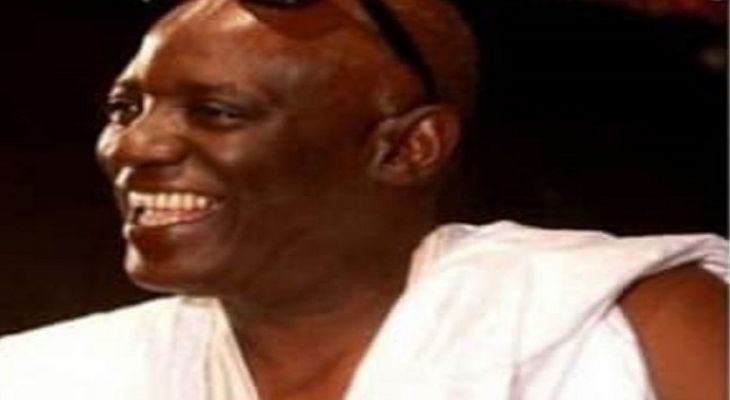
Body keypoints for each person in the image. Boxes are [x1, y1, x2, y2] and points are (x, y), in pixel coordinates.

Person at [0, 0, 726, 399]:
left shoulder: (625, 318)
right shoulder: (51, 377)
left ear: (408, 148)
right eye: (125, 109)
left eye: (218, 112)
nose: (134, 146)